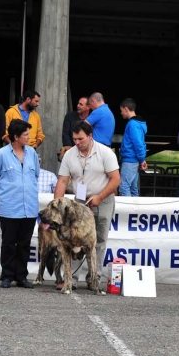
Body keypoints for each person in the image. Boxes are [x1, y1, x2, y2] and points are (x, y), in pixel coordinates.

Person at [54, 121, 120, 290]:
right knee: (73, 239)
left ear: (90, 136)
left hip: (103, 199)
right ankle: (71, 280)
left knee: (99, 240)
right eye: (75, 139)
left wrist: (100, 196)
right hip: (80, 200)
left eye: (81, 139)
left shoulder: (105, 153)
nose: (77, 142)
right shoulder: (69, 155)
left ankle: (94, 279)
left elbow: (116, 179)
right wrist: (57, 208)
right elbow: (62, 181)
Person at [0, 119, 39, 289]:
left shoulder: (32, 153)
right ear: (16, 136)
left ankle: (22, 276)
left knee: (25, 243)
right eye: (26, 134)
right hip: (9, 207)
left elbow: (36, 176)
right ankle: (7, 275)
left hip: (30, 207)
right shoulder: (1, 154)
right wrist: (7, 192)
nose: (29, 137)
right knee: (9, 242)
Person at [119, 98, 147, 197]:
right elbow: (141, 143)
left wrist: (142, 159)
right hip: (135, 160)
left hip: (130, 160)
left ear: (126, 109)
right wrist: (141, 159)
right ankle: (136, 210)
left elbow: (138, 143)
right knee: (133, 188)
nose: (121, 113)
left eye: (121, 110)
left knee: (124, 187)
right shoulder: (139, 124)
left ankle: (128, 212)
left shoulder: (133, 124)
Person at [60, 96, 91, 161]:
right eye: (78, 103)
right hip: (71, 149)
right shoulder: (70, 116)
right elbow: (65, 133)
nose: (78, 106)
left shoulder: (92, 118)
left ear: (88, 107)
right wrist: (69, 148)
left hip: (87, 151)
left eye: (81, 104)